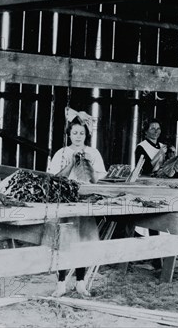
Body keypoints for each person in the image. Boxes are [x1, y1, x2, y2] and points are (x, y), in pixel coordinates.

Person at [46, 108, 105, 297]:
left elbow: (98, 181)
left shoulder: (93, 152)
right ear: (69, 134)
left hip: (86, 201)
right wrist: (71, 163)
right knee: (64, 242)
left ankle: (80, 282)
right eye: (74, 133)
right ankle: (61, 283)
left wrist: (88, 165)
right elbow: (54, 179)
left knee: (84, 243)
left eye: (81, 133)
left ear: (86, 134)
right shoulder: (61, 153)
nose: (78, 136)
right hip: (66, 202)